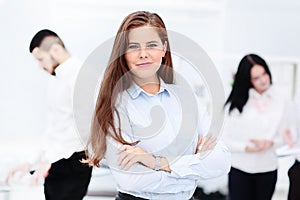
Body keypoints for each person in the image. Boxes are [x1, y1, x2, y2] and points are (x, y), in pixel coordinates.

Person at [85, 11, 231, 200]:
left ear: (164, 48)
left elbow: (222, 161)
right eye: (133, 47)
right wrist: (194, 168)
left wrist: (155, 162)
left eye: (151, 45)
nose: (143, 54)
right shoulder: (117, 106)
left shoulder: (188, 99)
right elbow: (132, 180)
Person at [5, 29, 92, 199]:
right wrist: (32, 161)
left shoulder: (82, 76)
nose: (40, 66)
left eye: (40, 59)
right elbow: (54, 128)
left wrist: (48, 160)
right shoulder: (55, 78)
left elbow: (82, 127)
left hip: (74, 163)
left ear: (56, 50)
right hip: (55, 163)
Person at [222, 54, 290, 200]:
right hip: (240, 168)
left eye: (264, 74)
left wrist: (271, 143)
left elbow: (287, 135)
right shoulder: (236, 103)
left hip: (268, 169)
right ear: (247, 80)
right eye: (256, 78)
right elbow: (224, 139)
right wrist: (247, 148)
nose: (263, 80)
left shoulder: (280, 99)